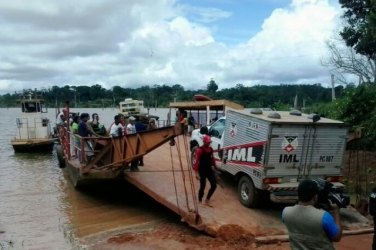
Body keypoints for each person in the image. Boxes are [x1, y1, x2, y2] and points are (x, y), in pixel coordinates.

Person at [282, 179, 342, 250]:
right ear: (315, 197)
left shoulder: (286, 212)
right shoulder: (324, 216)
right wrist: (336, 211)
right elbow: (337, 237)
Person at [193, 135, 217, 207]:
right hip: (202, 170)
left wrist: (214, 166)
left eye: (209, 142)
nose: (209, 143)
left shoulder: (210, 149)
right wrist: (196, 173)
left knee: (214, 185)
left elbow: (212, 159)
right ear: (204, 142)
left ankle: (207, 199)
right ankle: (200, 200)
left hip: (209, 170)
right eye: (207, 142)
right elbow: (196, 161)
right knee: (202, 186)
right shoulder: (200, 150)